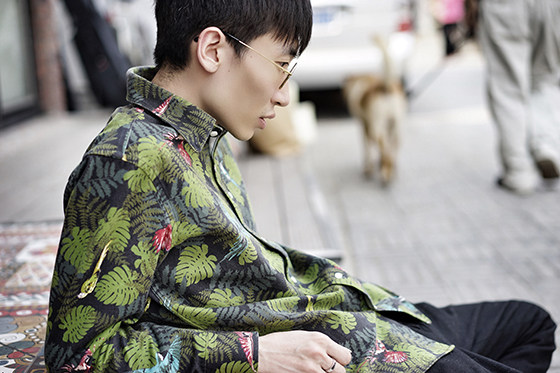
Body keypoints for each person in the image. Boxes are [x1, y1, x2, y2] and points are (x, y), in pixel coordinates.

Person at [45, 0, 557, 372]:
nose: (285, 94)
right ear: (213, 49)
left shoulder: (208, 134)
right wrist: (256, 356)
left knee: (531, 325)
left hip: (342, 311)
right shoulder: (128, 159)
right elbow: (79, 354)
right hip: (328, 352)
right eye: (282, 65)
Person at [477, 0, 560, 194]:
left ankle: (518, 170)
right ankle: (546, 145)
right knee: (545, 77)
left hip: (505, 6)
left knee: (508, 85)